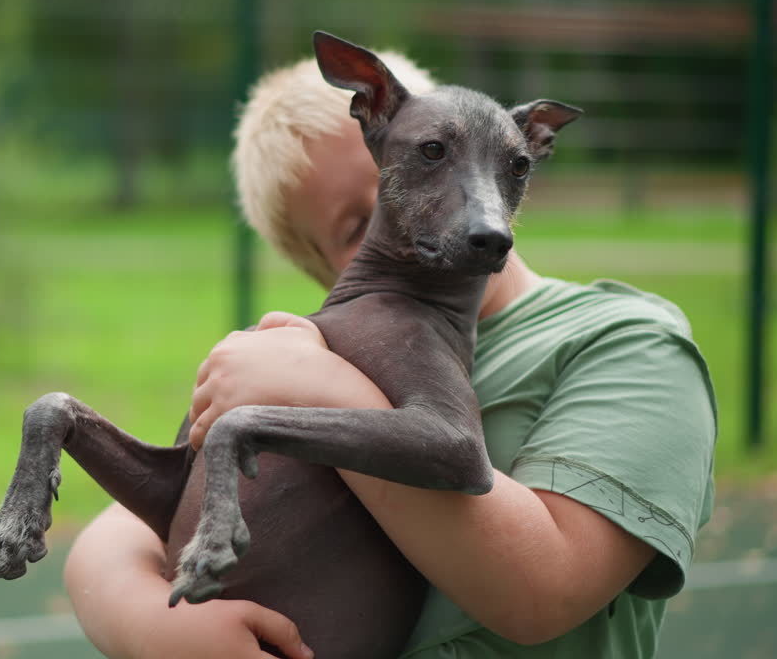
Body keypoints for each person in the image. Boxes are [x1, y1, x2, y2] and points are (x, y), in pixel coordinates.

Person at [63, 51, 717, 659]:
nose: (412, 214)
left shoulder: (625, 344)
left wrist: (316, 388)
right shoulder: (330, 350)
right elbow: (115, 539)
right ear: (323, 270)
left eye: (429, 159)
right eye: (357, 223)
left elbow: (542, 593)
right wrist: (155, 627)